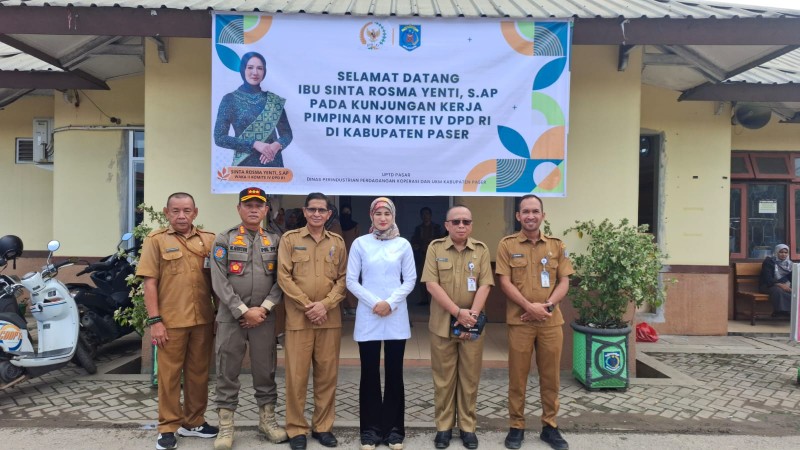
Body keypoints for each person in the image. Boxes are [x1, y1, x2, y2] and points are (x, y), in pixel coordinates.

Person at [136, 192, 218, 450]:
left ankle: (194, 421)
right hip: (170, 322)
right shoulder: (156, 241)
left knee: (198, 374)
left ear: (195, 212)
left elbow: (217, 282)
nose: (181, 216)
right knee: (169, 376)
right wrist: (155, 321)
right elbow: (150, 282)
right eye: (176, 211)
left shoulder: (209, 240)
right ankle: (168, 427)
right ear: (166, 212)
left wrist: (219, 316)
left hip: (202, 320)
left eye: (186, 211)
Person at [210, 187, 288, 450]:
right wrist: (243, 311)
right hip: (231, 317)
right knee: (227, 369)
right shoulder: (224, 239)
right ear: (239, 209)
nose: (254, 210)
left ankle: (267, 421)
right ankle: (226, 426)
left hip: (264, 318)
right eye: (248, 205)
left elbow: (282, 279)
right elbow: (219, 281)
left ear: (267, 210)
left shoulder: (276, 241)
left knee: (265, 369)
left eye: (259, 205)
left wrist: (263, 309)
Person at [495, 194, 574, 450]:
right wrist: (529, 307)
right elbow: (504, 281)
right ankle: (516, 426)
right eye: (525, 211)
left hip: (551, 322)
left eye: (535, 211)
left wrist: (547, 306)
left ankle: (550, 427)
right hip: (520, 322)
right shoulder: (506, 245)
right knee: (518, 377)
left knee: (550, 377)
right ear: (518, 216)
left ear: (543, 215)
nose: (530, 216)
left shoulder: (557, 246)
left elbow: (564, 281)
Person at [277, 192, 347, 450]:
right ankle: (296, 429)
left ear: (329, 214)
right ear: (305, 212)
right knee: (296, 376)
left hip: (329, 319)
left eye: (322, 210)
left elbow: (343, 279)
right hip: (299, 319)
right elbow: (284, 277)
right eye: (312, 210)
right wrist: (308, 305)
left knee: (327, 376)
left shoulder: (337, 242)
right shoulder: (290, 240)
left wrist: (325, 305)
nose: (317, 214)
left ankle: (323, 427)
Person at [421, 205, 493, 450]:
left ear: (471, 225)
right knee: (443, 380)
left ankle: (467, 427)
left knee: (470, 379)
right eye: (456, 221)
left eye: (466, 221)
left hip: (472, 326)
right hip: (442, 325)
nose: (461, 226)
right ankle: (443, 428)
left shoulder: (481, 250)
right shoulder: (435, 248)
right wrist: (457, 313)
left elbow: (485, 285)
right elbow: (431, 284)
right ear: (447, 225)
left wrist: (470, 315)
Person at [346, 197, 416, 450]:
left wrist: (390, 303)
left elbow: (410, 280)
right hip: (369, 315)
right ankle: (370, 432)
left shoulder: (403, 244)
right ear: (371, 216)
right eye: (378, 213)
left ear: (393, 216)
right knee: (370, 374)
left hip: (395, 316)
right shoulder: (360, 244)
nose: (383, 218)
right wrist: (376, 302)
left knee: (395, 374)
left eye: (387, 213)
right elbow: (351, 280)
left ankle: (394, 431)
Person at [214, 51, 292, 167]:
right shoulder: (230, 99)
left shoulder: (274, 101)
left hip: (273, 165)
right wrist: (254, 144)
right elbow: (220, 138)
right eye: (250, 67)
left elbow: (287, 134)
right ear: (243, 69)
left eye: (260, 68)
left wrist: (277, 145)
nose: (255, 72)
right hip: (244, 166)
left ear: (264, 71)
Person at [412, 207, 445, 305]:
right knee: (422, 278)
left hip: (435, 257)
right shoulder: (418, 228)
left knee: (435, 278)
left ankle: (434, 299)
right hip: (422, 256)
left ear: (430, 215)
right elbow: (414, 240)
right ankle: (424, 299)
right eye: (423, 214)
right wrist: (416, 245)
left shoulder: (437, 227)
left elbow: (441, 240)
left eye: (427, 214)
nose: (425, 216)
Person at [759, 243, 793, 316]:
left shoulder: (790, 264)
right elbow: (767, 278)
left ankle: (789, 312)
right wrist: (781, 285)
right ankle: (781, 311)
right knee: (778, 290)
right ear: (776, 252)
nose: (783, 254)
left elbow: (792, 278)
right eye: (781, 252)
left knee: (794, 292)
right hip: (768, 285)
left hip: (785, 286)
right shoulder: (769, 262)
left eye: (785, 252)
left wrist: (792, 288)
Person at [340, 204, 360, 316]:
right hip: (340, 257)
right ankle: (343, 306)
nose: (346, 215)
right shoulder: (337, 226)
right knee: (341, 281)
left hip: (353, 256)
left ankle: (352, 306)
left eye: (348, 213)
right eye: (344, 213)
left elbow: (358, 240)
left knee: (352, 280)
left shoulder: (355, 225)